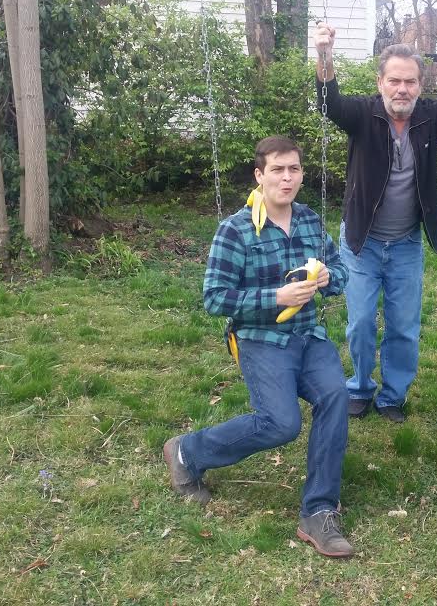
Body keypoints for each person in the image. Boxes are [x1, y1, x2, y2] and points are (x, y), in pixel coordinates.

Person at [162, 135, 355, 558]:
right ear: (259, 175)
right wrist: (275, 298)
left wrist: (327, 279)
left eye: (294, 170)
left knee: (336, 396)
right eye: (278, 170)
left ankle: (319, 511)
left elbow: (339, 269)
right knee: (280, 423)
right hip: (260, 340)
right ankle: (187, 451)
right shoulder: (235, 230)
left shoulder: (309, 220)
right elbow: (215, 299)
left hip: (308, 336)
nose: (287, 178)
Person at [315, 21, 437, 423]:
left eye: (411, 82)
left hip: (404, 244)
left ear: (420, 85)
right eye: (395, 81)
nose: (402, 90)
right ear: (380, 82)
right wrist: (324, 55)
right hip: (360, 242)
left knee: (403, 326)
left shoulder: (429, 117)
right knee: (362, 321)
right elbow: (329, 103)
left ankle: (392, 396)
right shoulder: (362, 115)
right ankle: (360, 387)